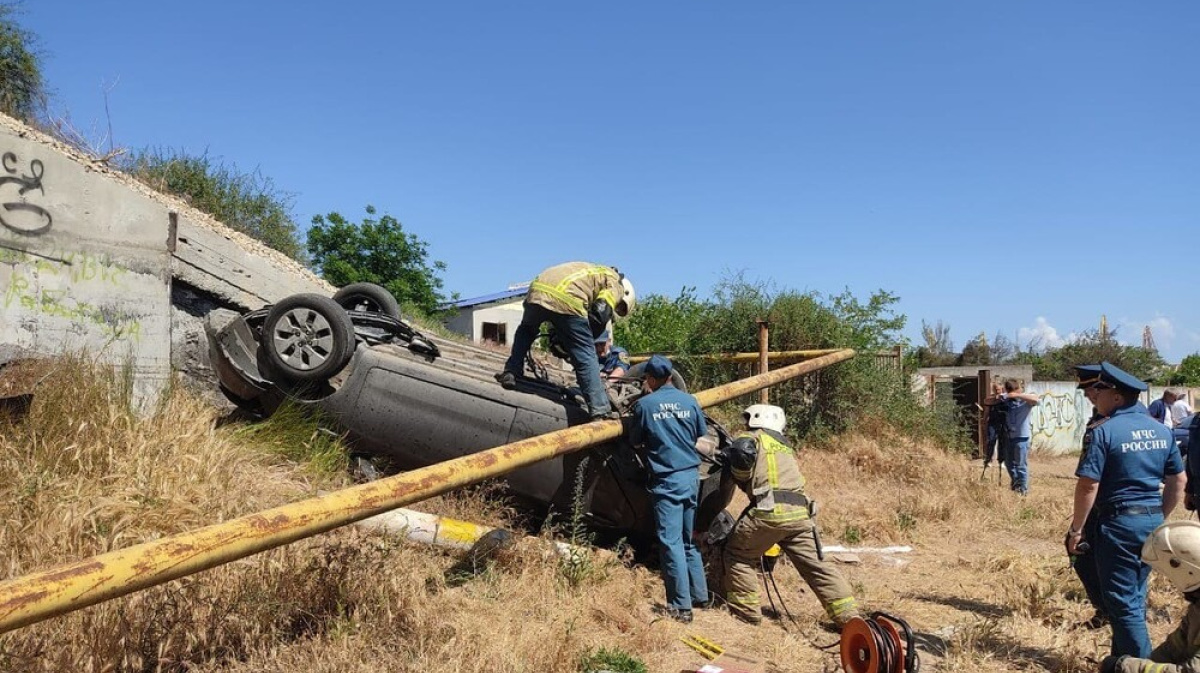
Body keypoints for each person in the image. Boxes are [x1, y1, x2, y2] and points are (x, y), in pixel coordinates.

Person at [1066, 361, 1187, 659]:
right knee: (1134, 595)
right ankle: (1120, 662)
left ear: (1116, 397)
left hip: (1118, 524)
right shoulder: (1162, 431)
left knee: (1122, 602)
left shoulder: (1104, 431)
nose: (1095, 396)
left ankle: (1140, 666)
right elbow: (1178, 480)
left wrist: (1076, 529)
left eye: (1100, 391)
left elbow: (1087, 486)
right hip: (1151, 521)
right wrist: (1158, 515)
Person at [722, 404, 861, 627]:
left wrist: (737, 474)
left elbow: (740, 452)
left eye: (749, 419)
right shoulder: (783, 445)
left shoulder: (753, 438)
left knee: (738, 554)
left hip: (768, 512)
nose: (746, 424)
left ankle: (746, 613)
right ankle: (850, 618)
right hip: (800, 515)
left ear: (758, 419)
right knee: (817, 566)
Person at [494, 262, 635, 420]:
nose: (617, 309)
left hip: (537, 290)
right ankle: (601, 410)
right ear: (625, 294)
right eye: (620, 307)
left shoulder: (591, 270)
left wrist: (562, 335)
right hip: (566, 298)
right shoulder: (616, 283)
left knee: (526, 330)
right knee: (586, 355)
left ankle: (511, 372)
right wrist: (579, 341)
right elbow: (600, 313)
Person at [628, 355, 709, 623]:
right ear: (671, 377)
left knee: (670, 542)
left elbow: (635, 440)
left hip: (667, 481)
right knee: (688, 539)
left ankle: (680, 607)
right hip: (691, 478)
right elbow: (700, 432)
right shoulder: (691, 401)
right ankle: (700, 596)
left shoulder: (645, 405)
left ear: (649, 379)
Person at [1098, 520, 1200, 673]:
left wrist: (1125, 667)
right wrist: (1146, 664)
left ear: (1187, 571)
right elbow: (1174, 648)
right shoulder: (1197, 609)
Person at [1070, 365, 1109, 631]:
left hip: (1106, 502)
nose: (1087, 396)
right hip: (1100, 501)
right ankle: (1104, 609)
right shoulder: (1099, 416)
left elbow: (1090, 480)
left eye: (1089, 390)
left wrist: (1077, 526)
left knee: (1085, 551)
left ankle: (1107, 611)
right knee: (1084, 554)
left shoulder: (1107, 421)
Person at [985, 379, 1040, 495]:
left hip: (1021, 437)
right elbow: (986, 401)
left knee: (1021, 465)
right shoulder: (1006, 401)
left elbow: (1036, 398)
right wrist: (1000, 397)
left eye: (1011, 390)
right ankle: (1016, 484)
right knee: (1009, 463)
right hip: (1008, 437)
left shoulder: (1025, 402)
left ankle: (1023, 490)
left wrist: (1017, 395)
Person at [982, 382, 1009, 470]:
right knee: (991, 441)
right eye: (995, 389)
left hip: (1003, 422)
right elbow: (986, 406)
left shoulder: (1006, 398)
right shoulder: (991, 399)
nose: (997, 391)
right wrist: (984, 421)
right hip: (993, 423)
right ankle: (988, 460)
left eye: (999, 389)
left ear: (1002, 389)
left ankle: (1002, 461)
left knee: (1002, 442)